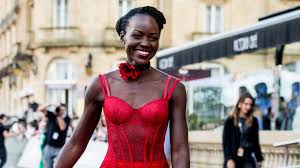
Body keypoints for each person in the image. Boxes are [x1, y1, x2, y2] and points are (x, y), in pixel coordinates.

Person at [56, 6, 189, 168]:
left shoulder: (174, 89)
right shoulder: (100, 85)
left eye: (153, 38)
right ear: (123, 36)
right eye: (137, 36)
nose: (146, 43)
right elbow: (77, 143)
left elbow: (180, 150)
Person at [222, 93, 263, 168]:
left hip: (247, 158)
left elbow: (256, 141)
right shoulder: (230, 121)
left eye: (250, 105)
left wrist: (259, 158)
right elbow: (226, 142)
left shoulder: (254, 121)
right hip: (233, 157)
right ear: (240, 104)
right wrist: (229, 159)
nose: (248, 107)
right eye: (246, 104)